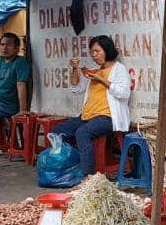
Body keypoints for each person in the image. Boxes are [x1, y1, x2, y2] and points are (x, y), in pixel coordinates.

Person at [53, 35, 131, 175]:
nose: (94, 55)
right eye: (92, 52)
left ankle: (87, 176)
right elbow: (76, 89)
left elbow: (124, 93)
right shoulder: (94, 70)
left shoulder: (119, 70)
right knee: (58, 130)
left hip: (108, 117)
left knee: (82, 133)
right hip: (87, 116)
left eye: (97, 51)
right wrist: (75, 70)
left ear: (107, 50)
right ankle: (72, 166)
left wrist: (102, 80)